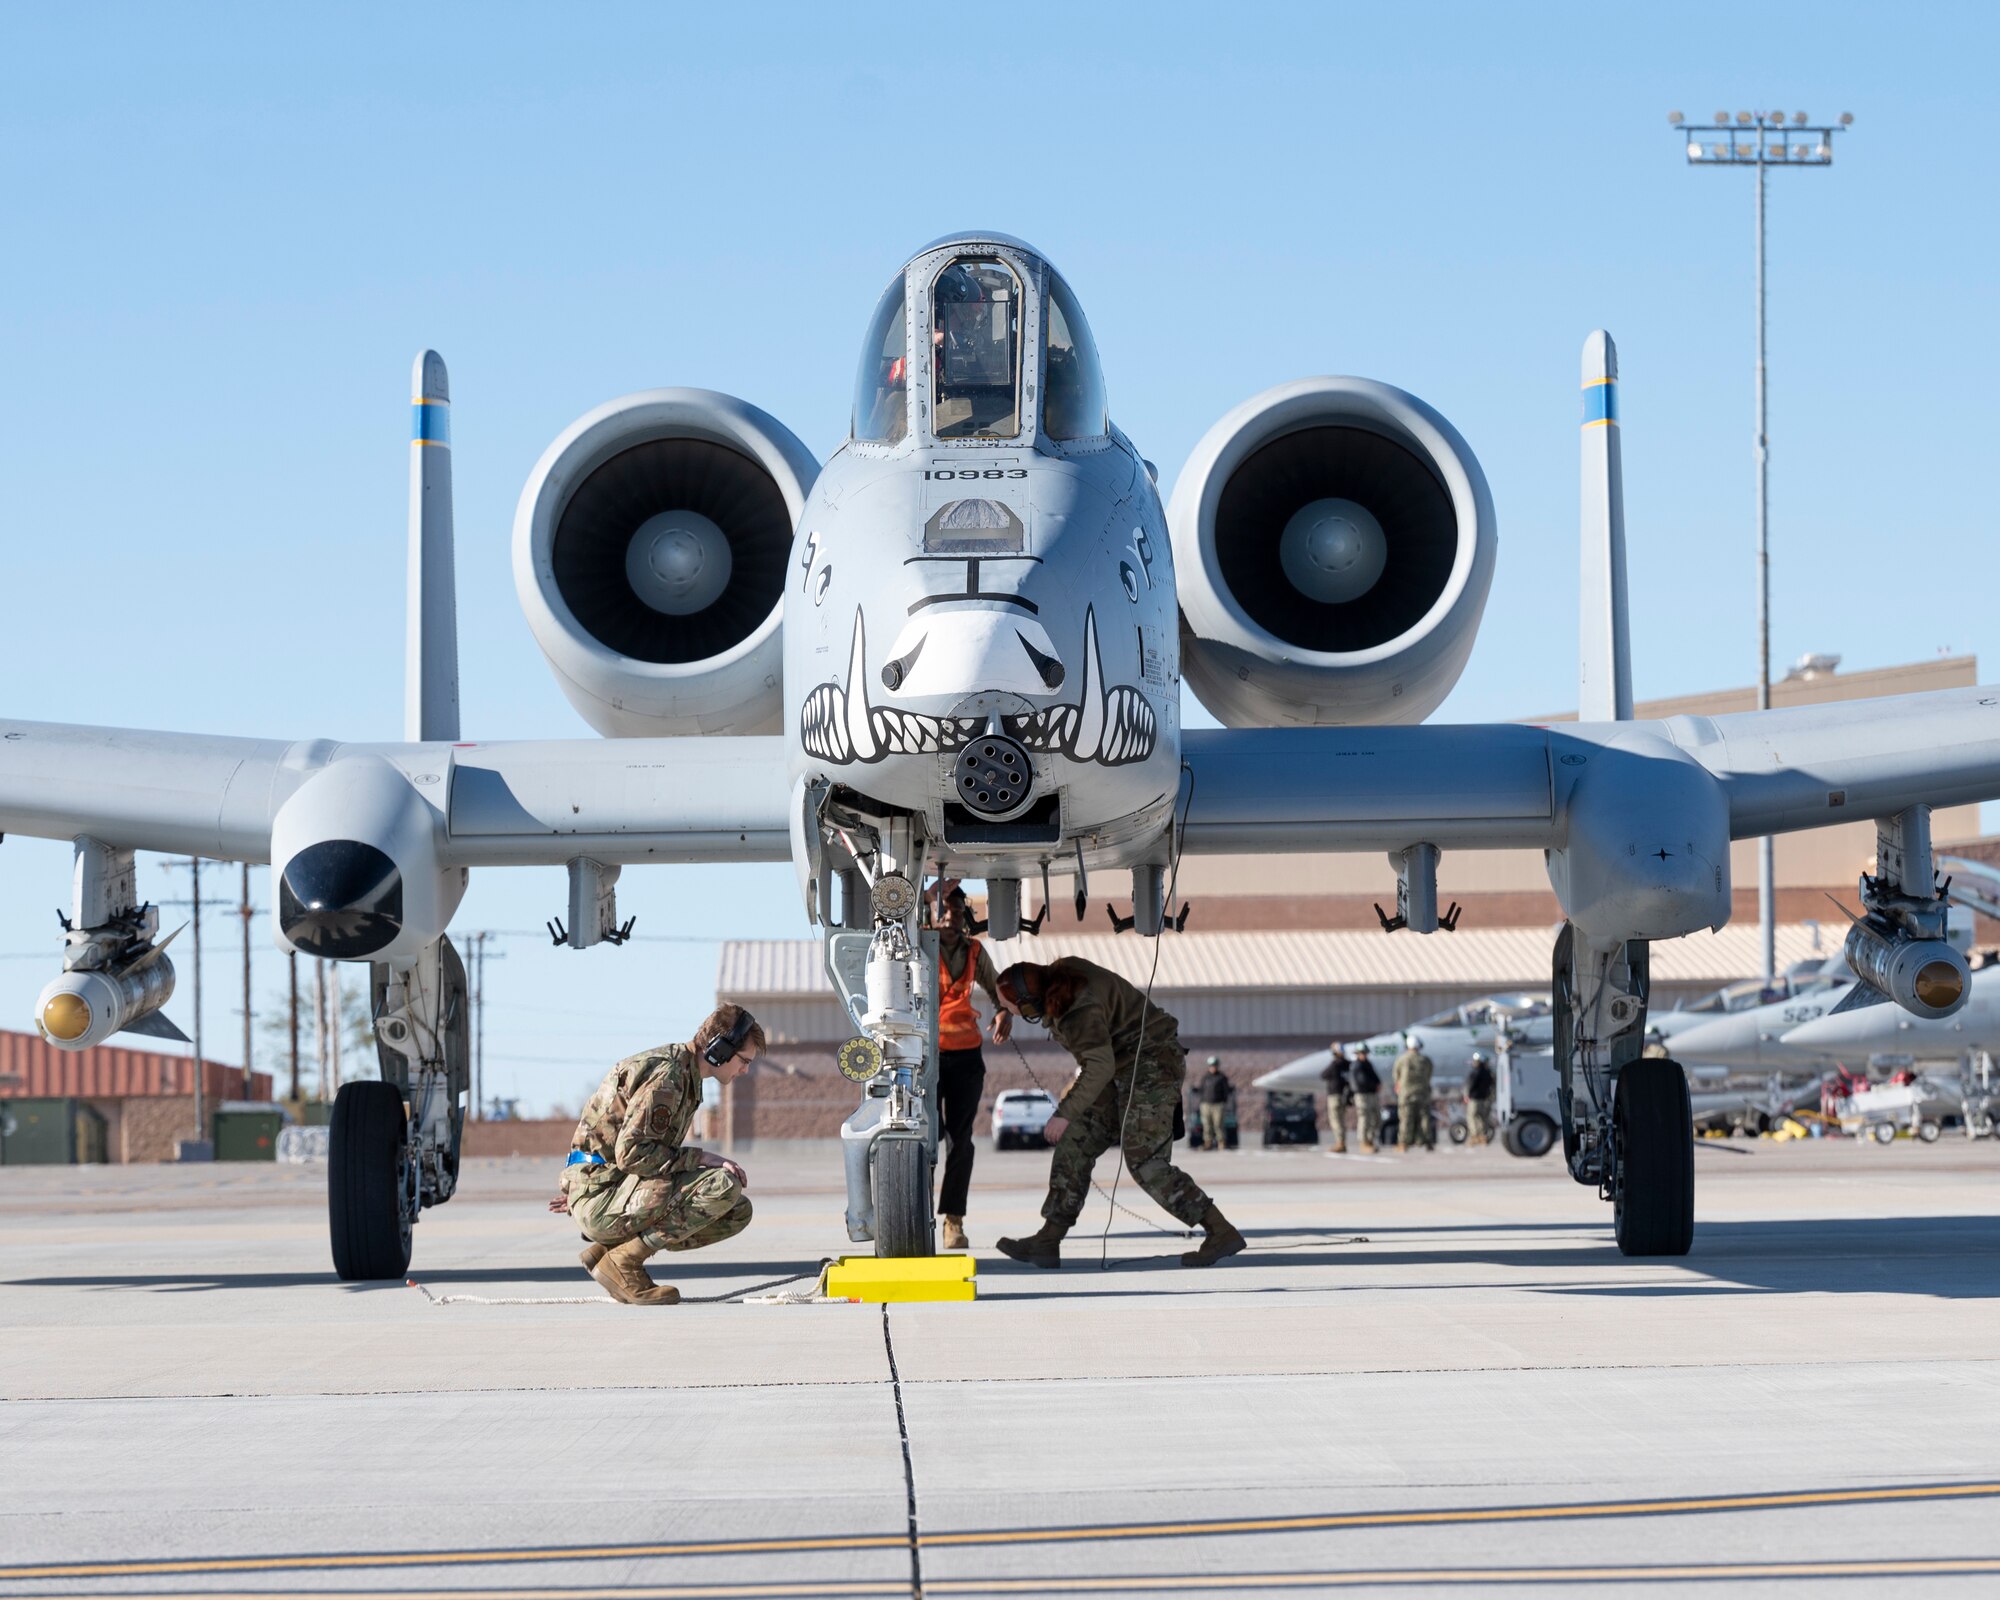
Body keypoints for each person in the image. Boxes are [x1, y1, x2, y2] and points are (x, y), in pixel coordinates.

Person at [991, 958, 1243, 1269]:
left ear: (1030, 1006)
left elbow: (1099, 1066)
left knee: (1145, 1161)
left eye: (1011, 1006)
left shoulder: (1077, 1011)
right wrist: (1005, 1010)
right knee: (1076, 1143)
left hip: (1151, 1063)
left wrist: (1064, 1113)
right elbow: (1026, 993)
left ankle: (1220, 1231)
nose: (1009, 1010)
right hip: (1122, 1067)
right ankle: (1049, 1239)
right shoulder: (1059, 977)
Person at [554, 1003, 763, 1305]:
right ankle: (623, 1262)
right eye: (744, 1061)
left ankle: (610, 1251)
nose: (745, 1070)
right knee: (722, 1185)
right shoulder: (670, 1078)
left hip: (606, 1188)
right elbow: (632, 1153)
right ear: (719, 1049)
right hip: (602, 1194)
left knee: (736, 1211)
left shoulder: (681, 1071)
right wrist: (703, 1158)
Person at [932, 884, 1011, 1251]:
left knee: (959, 1142)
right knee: (924, 1138)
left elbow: (998, 991)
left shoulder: (975, 951)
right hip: (927, 1060)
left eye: (957, 911)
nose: (950, 917)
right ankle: (916, 1212)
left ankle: (953, 1222)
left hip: (965, 1057)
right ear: (932, 913)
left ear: (965, 916)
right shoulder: (918, 945)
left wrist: (1002, 1012)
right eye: (944, 910)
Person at [1393, 1033, 1435, 1153]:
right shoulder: (1425, 1060)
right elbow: (1429, 1075)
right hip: (1423, 1094)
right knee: (1424, 1118)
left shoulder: (1402, 1060)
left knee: (1406, 1118)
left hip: (1406, 1095)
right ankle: (1427, 1142)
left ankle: (1403, 1143)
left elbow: (1396, 1077)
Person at [1350, 1043, 1382, 1154]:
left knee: (1376, 1118)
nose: (1364, 1055)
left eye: (1365, 1053)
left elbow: (1375, 1078)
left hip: (1371, 1094)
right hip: (1362, 1095)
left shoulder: (1367, 1064)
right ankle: (1364, 1142)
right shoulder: (1357, 1066)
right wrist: (1374, 1085)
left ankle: (1370, 1140)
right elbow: (1362, 1081)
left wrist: (1377, 1085)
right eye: (1362, 1053)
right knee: (1364, 1118)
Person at [1196, 1056, 1233, 1152]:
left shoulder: (1222, 1077)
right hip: (1206, 1105)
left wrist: (1224, 1102)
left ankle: (1221, 1143)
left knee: (1218, 1124)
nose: (1213, 1067)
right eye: (1211, 1066)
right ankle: (1208, 1143)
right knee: (1207, 1125)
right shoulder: (1205, 1078)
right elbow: (1201, 1090)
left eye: (1215, 1065)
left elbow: (1226, 1091)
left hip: (1218, 1105)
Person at [1321, 1044, 1352, 1153]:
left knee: (1336, 1120)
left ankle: (1340, 1143)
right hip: (1344, 1095)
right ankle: (1341, 1142)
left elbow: (1324, 1075)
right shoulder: (1348, 1065)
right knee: (1341, 1120)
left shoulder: (1335, 1065)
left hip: (1335, 1096)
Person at [1464, 1050, 1496, 1146]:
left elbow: (1471, 1084)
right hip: (1484, 1099)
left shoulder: (1475, 1072)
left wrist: (1467, 1095)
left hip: (1475, 1099)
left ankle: (1474, 1136)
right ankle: (1483, 1136)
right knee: (1482, 1118)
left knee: (1472, 1117)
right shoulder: (1488, 1073)